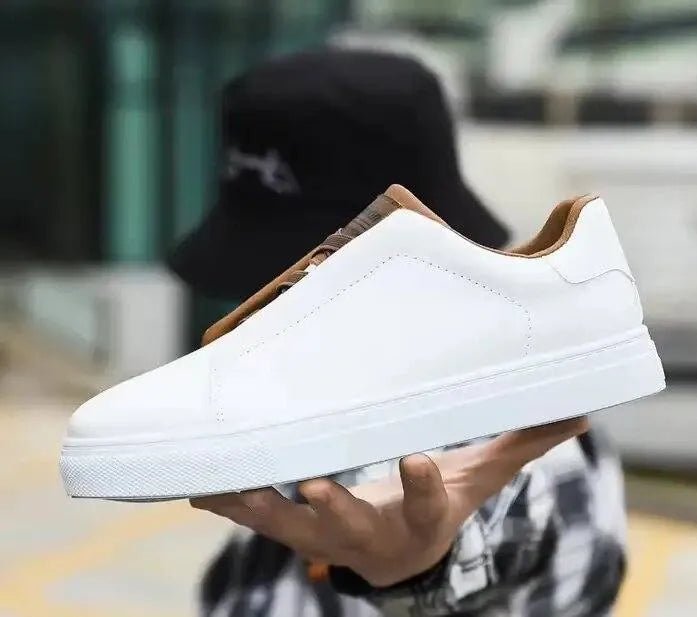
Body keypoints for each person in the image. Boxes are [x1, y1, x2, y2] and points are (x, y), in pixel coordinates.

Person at [170, 50, 627, 617]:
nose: (253, 317)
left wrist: (424, 562)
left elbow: (522, 494)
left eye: (287, 290)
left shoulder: (511, 426)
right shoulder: (311, 436)